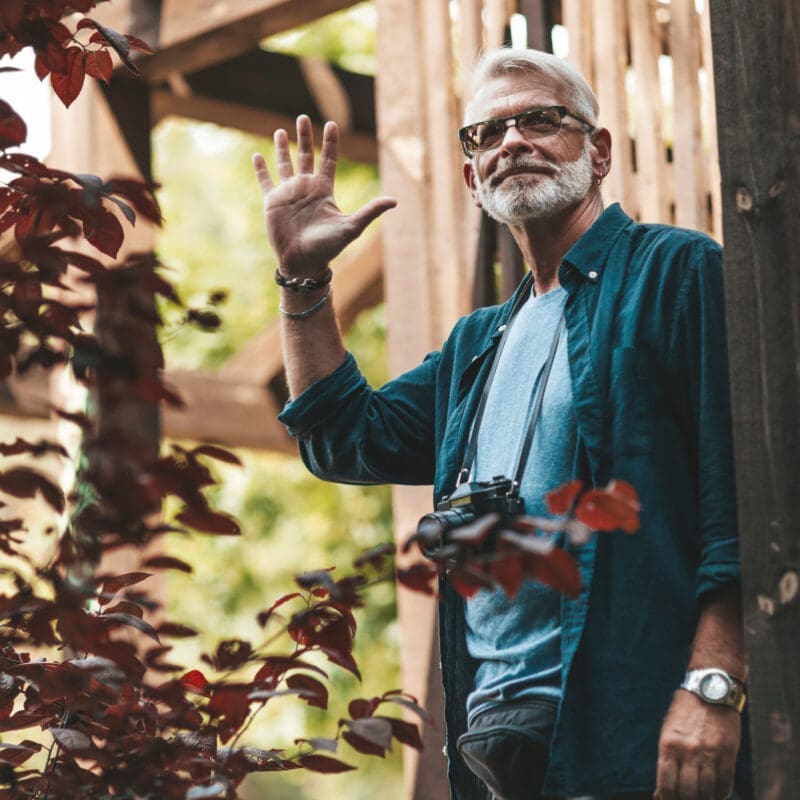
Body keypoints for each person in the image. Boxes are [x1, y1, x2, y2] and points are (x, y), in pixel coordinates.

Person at [253, 48, 749, 800]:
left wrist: (715, 683)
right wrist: (302, 280)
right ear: (470, 177)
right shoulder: (475, 347)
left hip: (634, 726)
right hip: (495, 741)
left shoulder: (674, 274)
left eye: (540, 120)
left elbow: (743, 491)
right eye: (486, 134)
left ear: (599, 149)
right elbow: (342, 437)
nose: (511, 141)